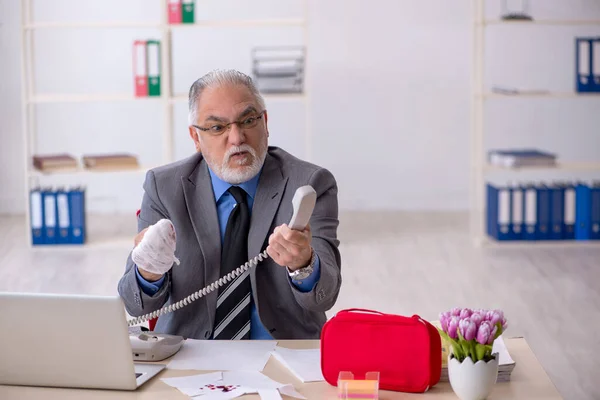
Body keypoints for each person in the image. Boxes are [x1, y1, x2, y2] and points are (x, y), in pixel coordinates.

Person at [117, 69, 342, 340]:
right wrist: (148, 272)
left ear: (265, 122)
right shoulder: (164, 187)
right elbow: (136, 304)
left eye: (247, 121)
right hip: (190, 356)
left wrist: (303, 264)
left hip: (285, 355)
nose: (236, 138)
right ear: (196, 138)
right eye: (217, 127)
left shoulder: (311, 183)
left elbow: (324, 298)